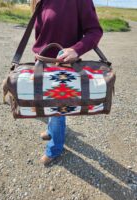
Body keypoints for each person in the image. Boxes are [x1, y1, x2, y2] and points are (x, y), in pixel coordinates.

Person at [31, 0, 103, 165]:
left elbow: (95, 31)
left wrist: (76, 49)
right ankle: (51, 131)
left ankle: (55, 148)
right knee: (47, 102)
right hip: (42, 62)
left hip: (63, 66)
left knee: (57, 108)